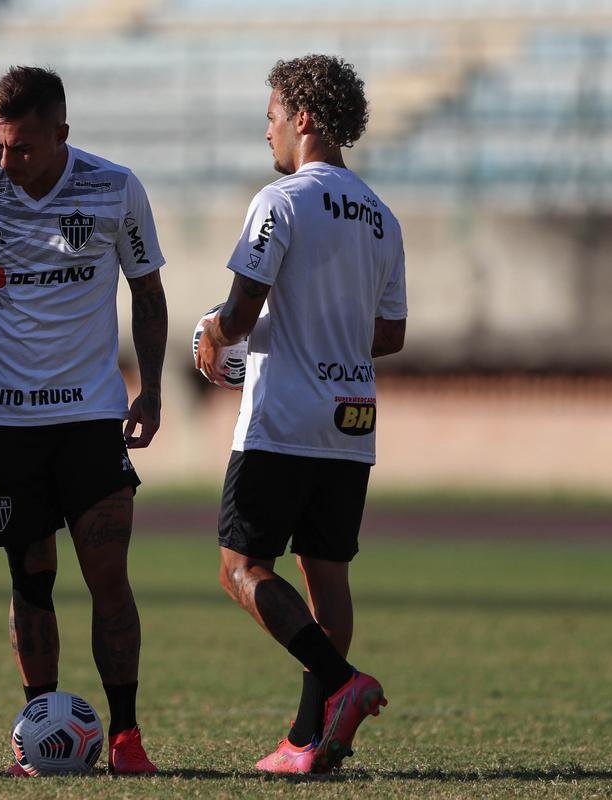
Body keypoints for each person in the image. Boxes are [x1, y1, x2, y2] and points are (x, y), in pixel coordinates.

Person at [0, 66, 168, 776]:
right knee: (29, 578)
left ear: (61, 133)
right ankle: (41, 728)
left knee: (106, 575)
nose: (10, 161)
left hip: (91, 417)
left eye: (24, 147)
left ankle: (124, 736)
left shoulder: (114, 187)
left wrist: (150, 389)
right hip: (5, 422)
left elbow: (147, 294)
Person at [195, 54, 406, 774]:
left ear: (303, 119)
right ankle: (310, 741)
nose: (268, 132)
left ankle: (344, 685)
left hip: (283, 415)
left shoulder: (279, 200)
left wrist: (212, 336)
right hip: (350, 418)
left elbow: (241, 308)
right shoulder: (380, 214)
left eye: (272, 116)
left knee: (238, 566)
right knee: (327, 580)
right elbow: (388, 336)